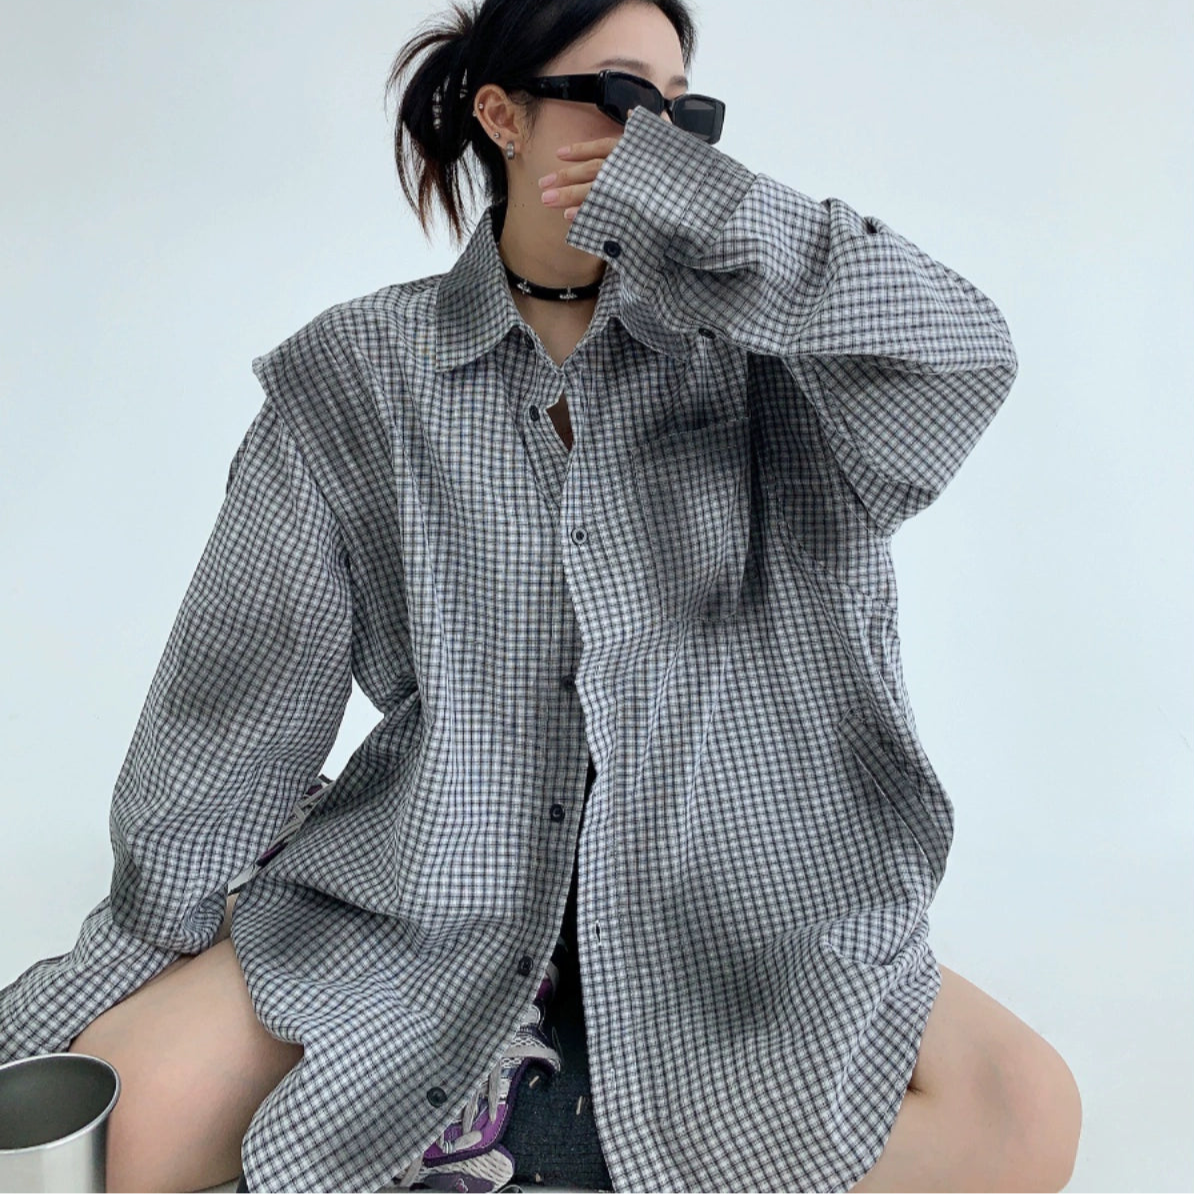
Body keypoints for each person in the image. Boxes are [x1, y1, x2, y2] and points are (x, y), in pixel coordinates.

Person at [0, 1, 1084, 1192]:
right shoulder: (355, 372)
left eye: (686, 116)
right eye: (622, 97)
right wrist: (134, 947)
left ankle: (498, 1122)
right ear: (503, 116)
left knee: (1023, 1116)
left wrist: (717, 215)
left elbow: (963, 352)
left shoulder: (786, 361)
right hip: (432, 893)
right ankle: (529, 1106)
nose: (657, 141)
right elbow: (239, 694)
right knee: (118, 1120)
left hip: (725, 913)